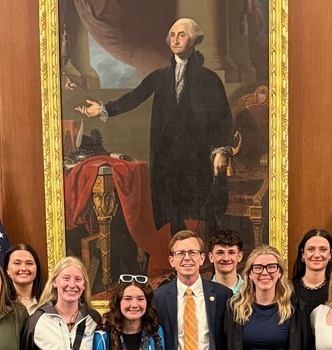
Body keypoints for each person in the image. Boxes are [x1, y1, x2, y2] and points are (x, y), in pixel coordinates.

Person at [76, 18, 233, 234]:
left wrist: (221, 150)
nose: (175, 40)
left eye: (182, 35)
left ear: (194, 40)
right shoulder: (160, 76)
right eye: (173, 35)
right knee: (173, 215)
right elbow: (135, 97)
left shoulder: (210, 79)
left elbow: (222, 117)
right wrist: (104, 109)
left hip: (199, 158)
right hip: (168, 159)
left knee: (205, 215)